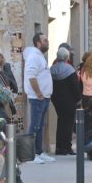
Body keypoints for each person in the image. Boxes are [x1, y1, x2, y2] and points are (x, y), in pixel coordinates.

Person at [24, 33, 55, 163]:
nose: (47, 42)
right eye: (45, 40)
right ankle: (30, 155)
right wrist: (39, 93)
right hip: (37, 98)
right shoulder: (34, 57)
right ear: (38, 43)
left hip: (43, 97)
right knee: (35, 126)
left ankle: (39, 151)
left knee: (41, 125)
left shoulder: (40, 56)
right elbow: (31, 76)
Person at [50, 47, 81, 155]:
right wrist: (78, 98)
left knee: (61, 122)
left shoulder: (52, 69)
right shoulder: (69, 69)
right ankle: (67, 147)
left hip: (57, 100)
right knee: (68, 124)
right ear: (67, 57)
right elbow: (74, 86)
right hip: (69, 101)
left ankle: (59, 147)